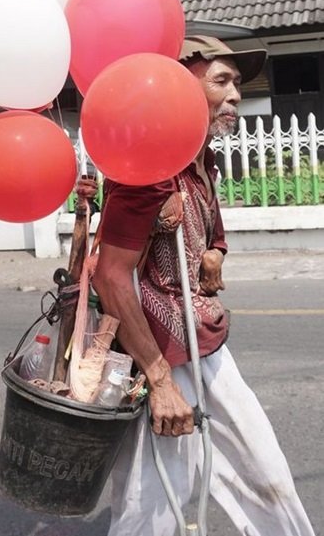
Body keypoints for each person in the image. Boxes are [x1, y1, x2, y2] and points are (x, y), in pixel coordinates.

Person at [90, 36, 316, 536]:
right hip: (157, 353)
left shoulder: (201, 161)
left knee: (262, 467)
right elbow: (110, 274)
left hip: (203, 339)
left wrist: (214, 253)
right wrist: (161, 383)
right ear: (181, 86)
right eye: (221, 80)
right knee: (153, 498)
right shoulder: (147, 170)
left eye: (237, 82)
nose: (236, 93)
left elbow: (211, 233)